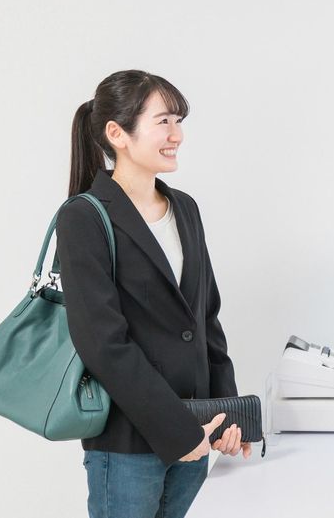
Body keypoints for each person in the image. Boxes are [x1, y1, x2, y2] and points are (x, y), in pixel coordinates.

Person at [56, 70, 251, 518]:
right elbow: (103, 343)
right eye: (164, 121)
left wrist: (228, 414)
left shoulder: (185, 208)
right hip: (130, 443)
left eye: (178, 121)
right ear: (117, 134)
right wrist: (176, 429)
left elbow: (205, 318)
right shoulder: (83, 217)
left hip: (199, 431)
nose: (176, 135)